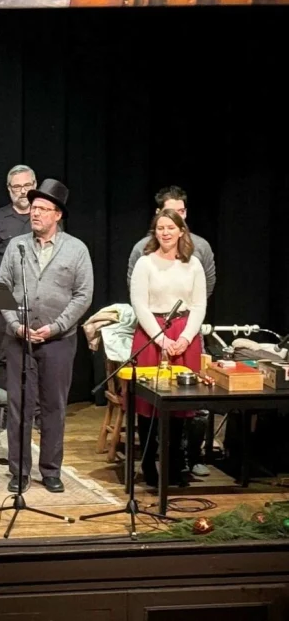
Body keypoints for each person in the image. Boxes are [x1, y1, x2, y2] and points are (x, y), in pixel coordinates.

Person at [0, 180, 93, 494]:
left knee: (54, 407)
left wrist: (55, 327)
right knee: (19, 406)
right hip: (19, 339)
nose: (34, 213)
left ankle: (51, 470)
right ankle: (18, 471)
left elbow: (82, 296)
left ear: (57, 215)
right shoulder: (17, 246)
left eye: (42, 209)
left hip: (58, 342)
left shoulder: (76, 249)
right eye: (33, 208)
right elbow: (3, 289)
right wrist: (14, 325)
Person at [129, 209, 206, 488]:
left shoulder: (193, 264)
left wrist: (185, 338)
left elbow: (199, 305)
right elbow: (140, 304)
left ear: (181, 231)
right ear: (155, 232)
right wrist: (162, 339)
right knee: (149, 406)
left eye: (170, 228)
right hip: (152, 335)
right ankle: (149, 464)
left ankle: (175, 465)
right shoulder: (145, 263)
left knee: (179, 407)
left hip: (184, 335)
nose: (165, 233)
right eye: (160, 228)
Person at [0, 165, 37, 433]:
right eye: (17, 187)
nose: (23, 191)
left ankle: (34, 412)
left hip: (38, 299)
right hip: (4, 298)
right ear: (9, 189)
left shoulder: (45, 217)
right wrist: (4, 280)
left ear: (35, 185)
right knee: (5, 356)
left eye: (27, 186)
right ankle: (4, 412)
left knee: (36, 356)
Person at [127, 186, 215, 298]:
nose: (177, 217)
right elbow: (135, 288)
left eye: (181, 211)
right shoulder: (141, 248)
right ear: (158, 213)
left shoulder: (201, 246)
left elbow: (207, 285)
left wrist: (190, 310)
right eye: (171, 212)